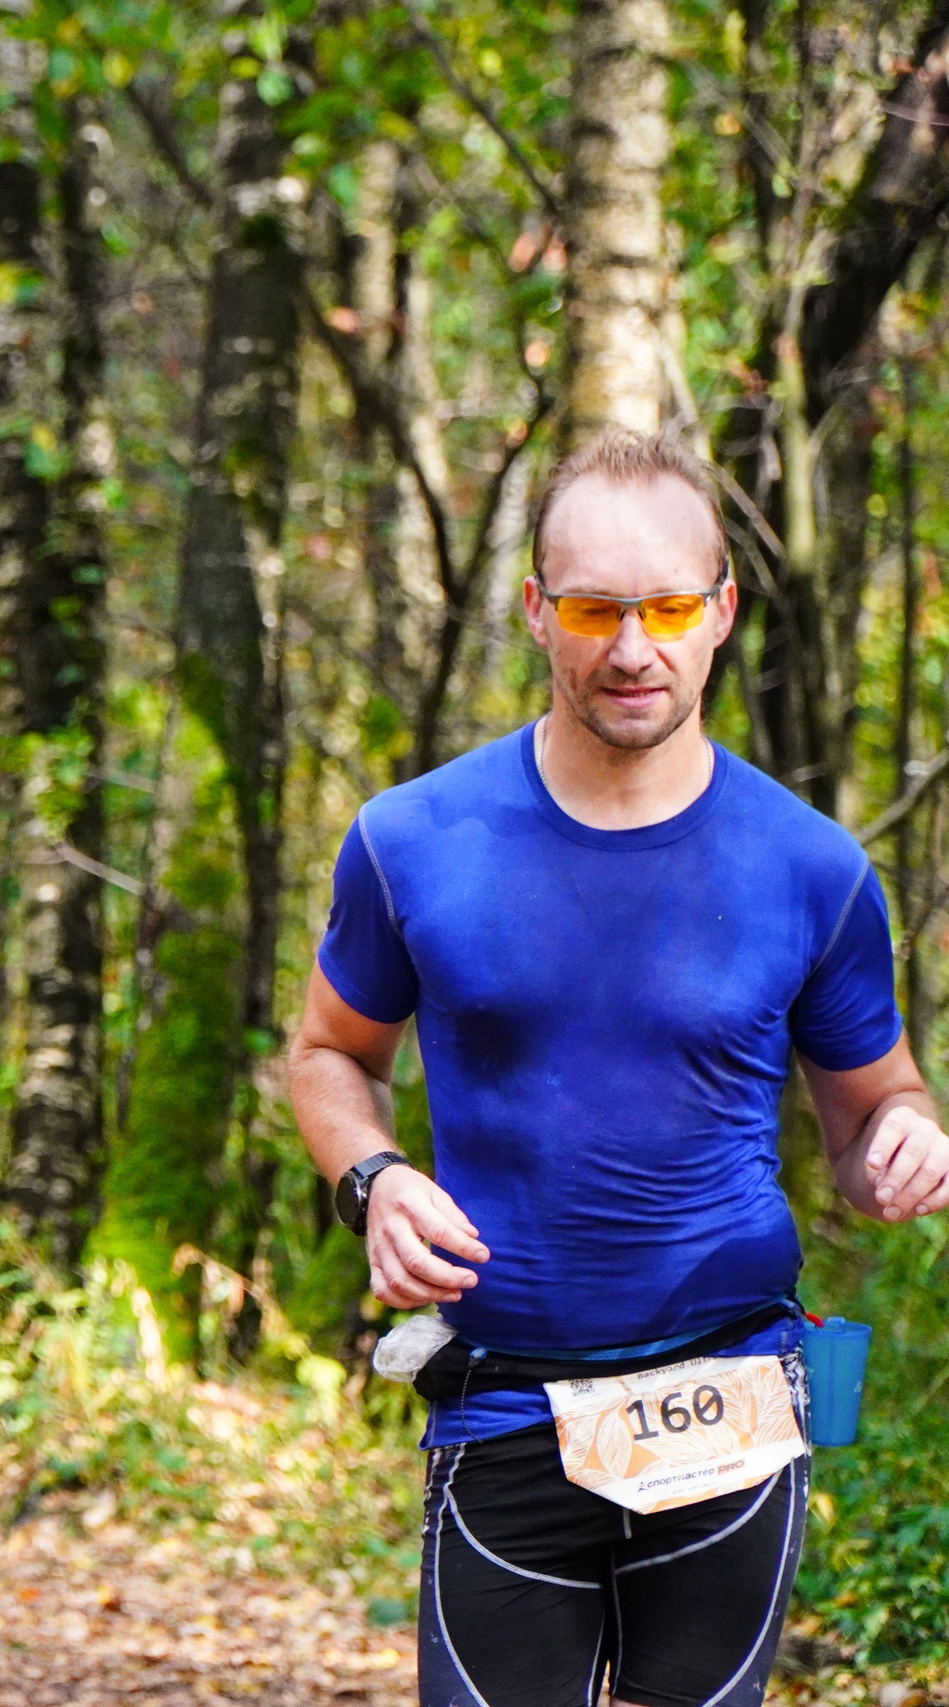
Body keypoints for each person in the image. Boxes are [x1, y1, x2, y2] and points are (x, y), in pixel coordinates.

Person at [290, 430, 949, 1707]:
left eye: (666, 608)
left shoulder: (812, 868)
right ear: (537, 611)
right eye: (594, 608)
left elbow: (883, 1106)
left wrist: (906, 1147)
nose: (631, 648)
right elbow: (327, 1054)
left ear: (721, 613)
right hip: (502, 1407)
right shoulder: (411, 841)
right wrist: (371, 1179)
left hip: (730, 1401)